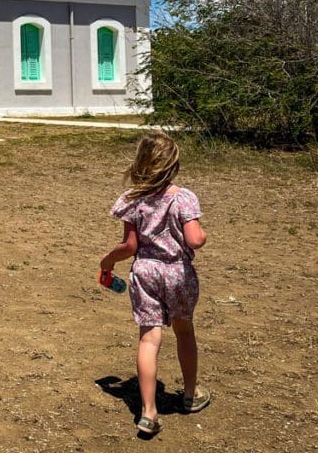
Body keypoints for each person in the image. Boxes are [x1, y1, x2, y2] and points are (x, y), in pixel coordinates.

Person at [100, 131, 211, 436]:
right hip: (178, 273)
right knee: (184, 330)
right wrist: (201, 237)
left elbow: (130, 246)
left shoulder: (132, 200)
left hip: (145, 272)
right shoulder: (184, 197)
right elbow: (194, 240)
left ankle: (148, 412)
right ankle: (190, 395)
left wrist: (108, 260)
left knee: (149, 339)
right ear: (173, 164)